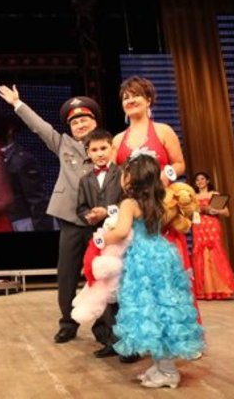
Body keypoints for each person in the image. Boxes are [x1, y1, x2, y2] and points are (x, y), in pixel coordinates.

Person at [0, 84, 98, 344]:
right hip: (71, 218)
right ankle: (68, 323)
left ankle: (104, 327)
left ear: (95, 122)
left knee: (102, 273)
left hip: (100, 220)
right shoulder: (63, 144)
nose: (80, 125)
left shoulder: (105, 145)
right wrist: (18, 104)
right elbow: (40, 127)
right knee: (67, 274)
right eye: (74, 122)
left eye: (84, 120)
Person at [103, 153, 204, 388]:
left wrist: (103, 237)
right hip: (163, 254)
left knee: (151, 314)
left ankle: (168, 371)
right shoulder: (159, 201)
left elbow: (121, 232)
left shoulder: (129, 204)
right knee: (164, 311)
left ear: (131, 178)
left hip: (142, 260)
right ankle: (161, 366)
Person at [111, 76, 202, 322]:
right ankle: (148, 332)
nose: (130, 100)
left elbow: (180, 164)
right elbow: (116, 175)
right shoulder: (118, 140)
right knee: (140, 277)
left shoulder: (163, 131)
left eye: (136, 95)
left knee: (171, 273)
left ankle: (180, 329)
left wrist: (162, 177)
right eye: (125, 97)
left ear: (148, 99)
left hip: (162, 209)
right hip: (135, 214)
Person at [76, 129, 140, 362]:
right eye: (94, 150)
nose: (99, 153)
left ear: (112, 149)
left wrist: (109, 211)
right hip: (99, 241)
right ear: (88, 153)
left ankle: (131, 344)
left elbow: (130, 201)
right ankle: (112, 342)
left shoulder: (123, 174)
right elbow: (81, 208)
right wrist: (90, 216)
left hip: (122, 239)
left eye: (103, 148)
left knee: (124, 292)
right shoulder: (85, 180)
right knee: (105, 292)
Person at [191, 172, 234, 300]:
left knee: (214, 252)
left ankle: (221, 288)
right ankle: (204, 290)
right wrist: (197, 211)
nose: (200, 182)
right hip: (199, 226)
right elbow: (190, 213)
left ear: (207, 181)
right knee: (200, 254)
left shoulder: (214, 194)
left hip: (212, 225)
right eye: (197, 180)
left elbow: (226, 212)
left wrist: (215, 210)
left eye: (202, 179)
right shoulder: (193, 196)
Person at [2, 118, 54, 231]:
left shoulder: (21, 159)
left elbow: (37, 199)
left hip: (22, 222)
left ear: (10, 130)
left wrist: (42, 227)